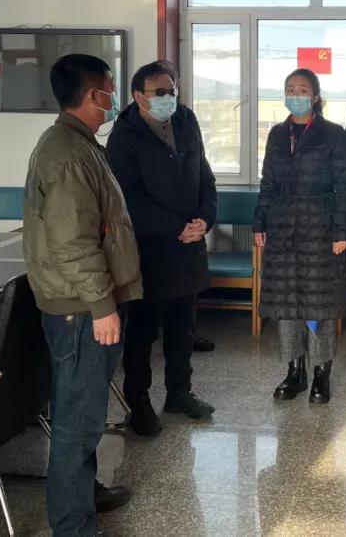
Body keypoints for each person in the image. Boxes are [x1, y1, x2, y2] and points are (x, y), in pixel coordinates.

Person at [23, 53, 142, 537]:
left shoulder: (78, 143)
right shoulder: (68, 153)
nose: (113, 98)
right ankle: (73, 526)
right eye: (110, 89)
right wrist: (101, 305)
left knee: (86, 413)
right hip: (81, 310)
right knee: (77, 422)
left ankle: (85, 495)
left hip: (84, 303)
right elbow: (73, 242)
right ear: (95, 94)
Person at [107, 60, 217, 436]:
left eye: (173, 90)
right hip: (148, 249)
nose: (169, 97)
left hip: (189, 245)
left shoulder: (186, 120)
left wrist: (205, 219)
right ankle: (138, 402)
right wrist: (176, 227)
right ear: (139, 96)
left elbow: (204, 175)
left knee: (182, 327)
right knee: (142, 331)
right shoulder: (124, 136)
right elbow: (128, 198)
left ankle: (179, 393)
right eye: (160, 91)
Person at [253, 68, 346, 404]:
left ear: (315, 96)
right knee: (287, 305)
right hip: (282, 227)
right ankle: (294, 371)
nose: (295, 95)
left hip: (320, 227)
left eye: (302, 89)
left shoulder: (334, 134)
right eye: (290, 89)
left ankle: (321, 372)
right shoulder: (277, 134)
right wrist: (259, 222)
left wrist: (342, 231)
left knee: (319, 304)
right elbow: (267, 181)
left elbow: (344, 187)